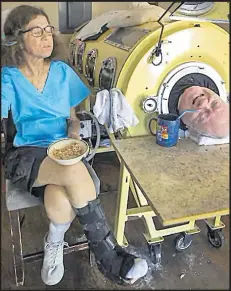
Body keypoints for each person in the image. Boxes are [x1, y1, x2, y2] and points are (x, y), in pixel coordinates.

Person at [1, 5, 148, 286]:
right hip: (27, 153)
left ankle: (53, 243)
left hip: (63, 149)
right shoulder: (8, 78)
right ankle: (110, 258)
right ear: (17, 38)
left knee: (60, 196)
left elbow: (72, 119)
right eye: (37, 31)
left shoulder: (61, 71)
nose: (47, 36)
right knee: (72, 174)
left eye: (48, 30)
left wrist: (74, 135)